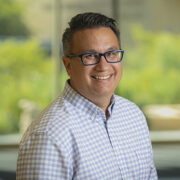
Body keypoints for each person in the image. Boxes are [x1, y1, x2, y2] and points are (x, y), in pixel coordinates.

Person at [16, 12, 158, 180]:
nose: (103, 66)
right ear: (68, 65)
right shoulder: (49, 136)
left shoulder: (133, 115)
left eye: (111, 53)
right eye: (90, 56)